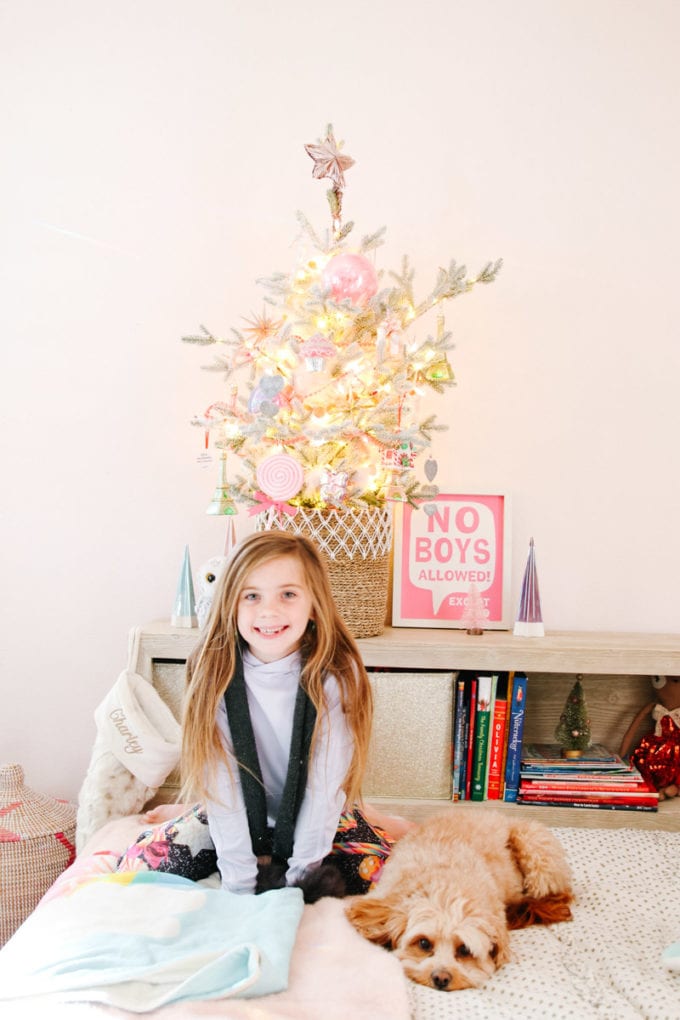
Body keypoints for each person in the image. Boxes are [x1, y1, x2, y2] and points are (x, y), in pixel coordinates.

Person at [180, 529, 376, 900]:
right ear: (230, 604)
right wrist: (239, 887)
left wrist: (300, 880)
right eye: (251, 596)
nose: (269, 611)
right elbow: (222, 788)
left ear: (314, 604)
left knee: (384, 877)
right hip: (233, 823)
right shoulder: (214, 670)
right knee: (148, 862)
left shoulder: (336, 673)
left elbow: (324, 789)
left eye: (287, 594)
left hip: (319, 825)